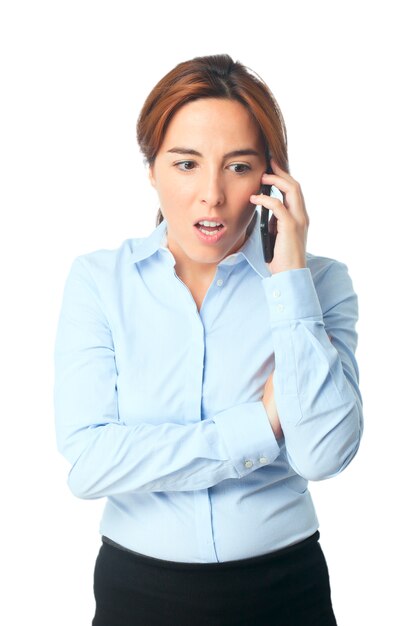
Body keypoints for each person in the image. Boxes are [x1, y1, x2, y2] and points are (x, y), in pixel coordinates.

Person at [54, 53, 363, 625]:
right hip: (138, 594)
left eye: (239, 166)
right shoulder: (100, 282)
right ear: (152, 168)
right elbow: (90, 465)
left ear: (271, 175)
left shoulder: (320, 284)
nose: (212, 195)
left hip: (283, 592)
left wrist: (290, 279)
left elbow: (323, 455)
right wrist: (260, 423)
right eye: (186, 163)